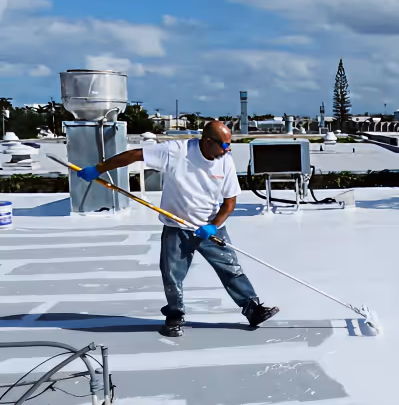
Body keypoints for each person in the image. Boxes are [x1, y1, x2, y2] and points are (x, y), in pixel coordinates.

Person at [77, 120, 279, 338]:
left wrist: (213, 225)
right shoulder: (175, 151)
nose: (227, 149)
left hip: (210, 228)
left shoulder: (225, 162)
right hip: (177, 227)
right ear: (208, 141)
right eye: (223, 145)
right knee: (172, 274)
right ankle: (175, 314)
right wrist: (99, 169)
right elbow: (135, 155)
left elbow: (230, 202)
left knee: (231, 269)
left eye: (229, 144)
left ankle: (253, 310)